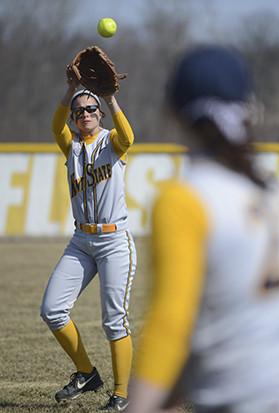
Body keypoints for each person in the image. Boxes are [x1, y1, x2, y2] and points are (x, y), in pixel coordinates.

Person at [125, 45, 279, 413]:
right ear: (250, 110)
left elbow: (172, 326)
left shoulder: (185, 198)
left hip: (240, 398)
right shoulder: (272, 192)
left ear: (171, 110)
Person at [40, 57, 137, 412]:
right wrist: (70, 90)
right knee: (52, 310)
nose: (84, 114)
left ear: (99, 114)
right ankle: (86, 373)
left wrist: (111, 98)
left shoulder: (112, 142)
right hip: (81, 241)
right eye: (79, 110)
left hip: (114, 240)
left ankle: (122, 394)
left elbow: (129, 136)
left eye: (90, 108)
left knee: (114, 318)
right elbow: (54, 126)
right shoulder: (72, 147)